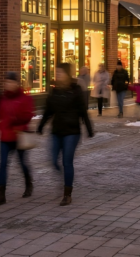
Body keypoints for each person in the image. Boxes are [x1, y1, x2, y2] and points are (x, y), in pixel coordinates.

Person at [37, 63, 93, 206]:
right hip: (57, 130)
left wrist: (89, 128)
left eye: (60, 73)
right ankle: (65, 178)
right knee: (54, 160)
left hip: (72, 131)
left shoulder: (76, 90)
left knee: (67, 162)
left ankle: (67, 194)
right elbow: (48, 110)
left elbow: (82, 110)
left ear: (67, 74)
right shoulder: (54, 91)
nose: (58, 75)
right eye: (56, 72)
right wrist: (41, 125)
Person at [0, 72, 34, 206]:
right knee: (2, 165)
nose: (8, 84)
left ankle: (28, 183)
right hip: (5, 137)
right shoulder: (2, 99)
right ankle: (1, 195)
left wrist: (15, 122)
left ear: (16, 84)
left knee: (22, 163)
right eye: (6, 82)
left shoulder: (25, 99)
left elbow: (28, 116)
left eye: (11, 82)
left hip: (19, 136)